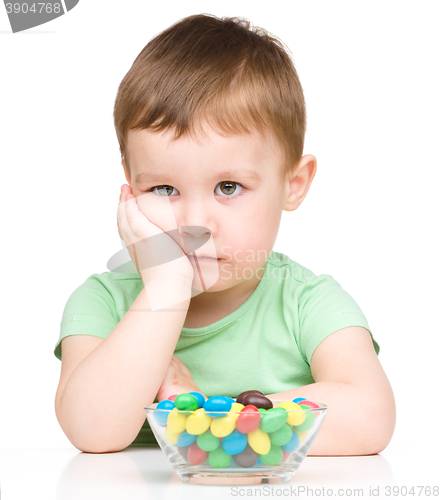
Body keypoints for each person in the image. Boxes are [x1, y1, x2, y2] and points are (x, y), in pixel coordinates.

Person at [54, 13, 395, 455]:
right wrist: (167, 286)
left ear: (293, 184)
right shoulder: (104, 302)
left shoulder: (307, 301)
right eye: (164, 188)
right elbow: (92, 431)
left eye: (228, 187)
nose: (196, 223)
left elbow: (371, 417)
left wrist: (207, 413)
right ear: (131, 187)